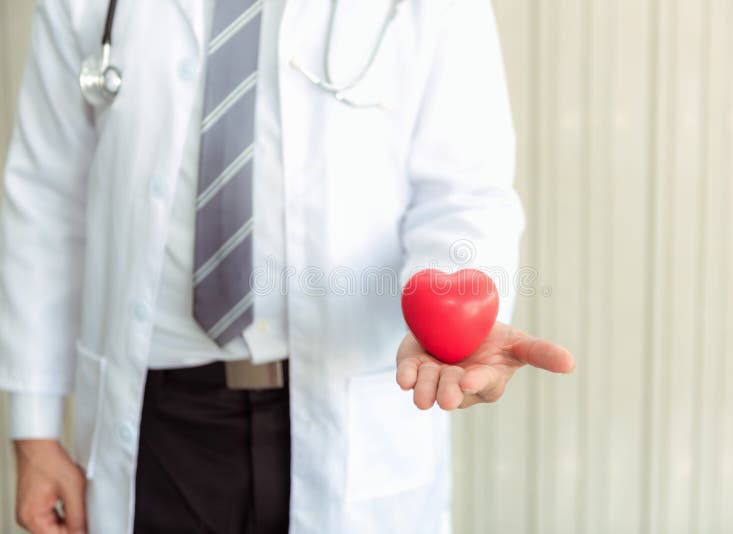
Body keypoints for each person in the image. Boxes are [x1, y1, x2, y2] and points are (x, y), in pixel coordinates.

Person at [0, 0, 575, 532]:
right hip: (157, 419)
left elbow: (463, 193)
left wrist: (454, 329)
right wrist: (33, 428)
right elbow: (46, 192)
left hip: (348, 407)